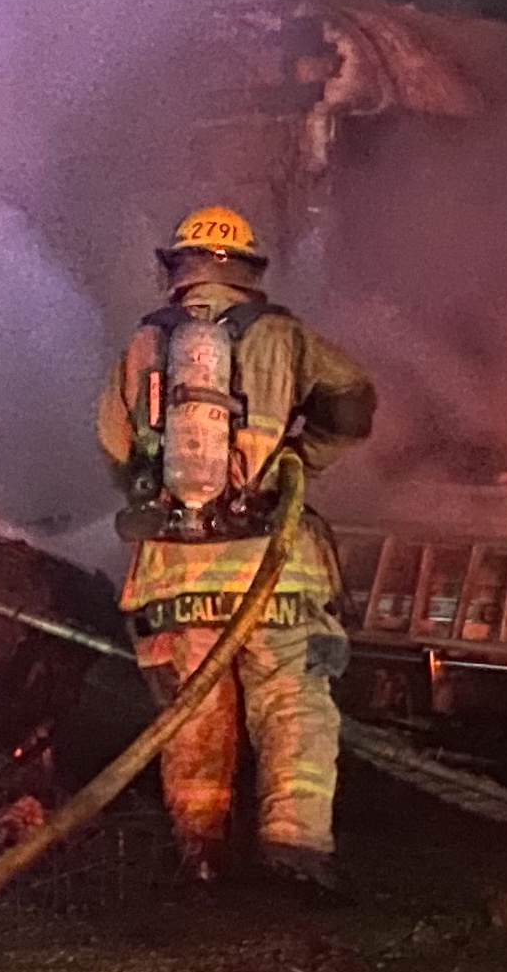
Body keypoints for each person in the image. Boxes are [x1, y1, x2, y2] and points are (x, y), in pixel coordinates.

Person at [97, 203, 378, 887]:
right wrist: (298, 460)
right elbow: (354, 403)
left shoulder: (144, 344)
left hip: (174, 577)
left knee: (191, 715)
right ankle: (295, 848)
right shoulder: (283, 334)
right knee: (292, 706)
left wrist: (159, 487)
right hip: (272, 572)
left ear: (177, 269)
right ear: (251, 270)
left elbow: (115, 449)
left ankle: (200, 854)